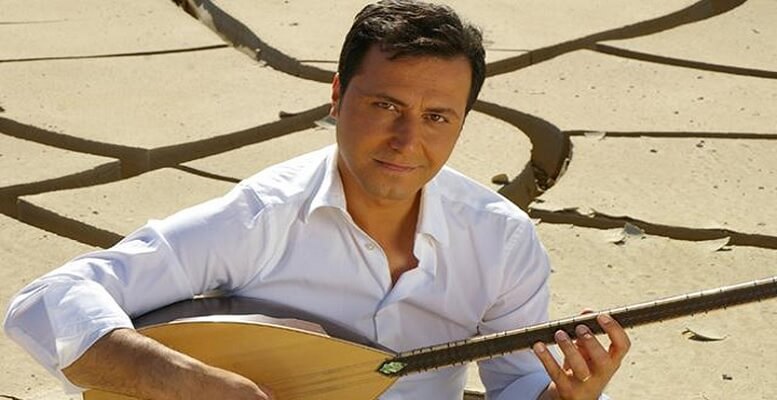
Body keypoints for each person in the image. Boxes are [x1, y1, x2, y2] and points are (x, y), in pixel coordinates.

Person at [3, 1, 630, 399]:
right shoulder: (263, 218)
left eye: (437, 116)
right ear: (336, 96)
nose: (407, 140)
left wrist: (564, 397)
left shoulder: (502, 240)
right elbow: (47, 300)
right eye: (385, 105)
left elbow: (516, 384)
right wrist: (189, 382)